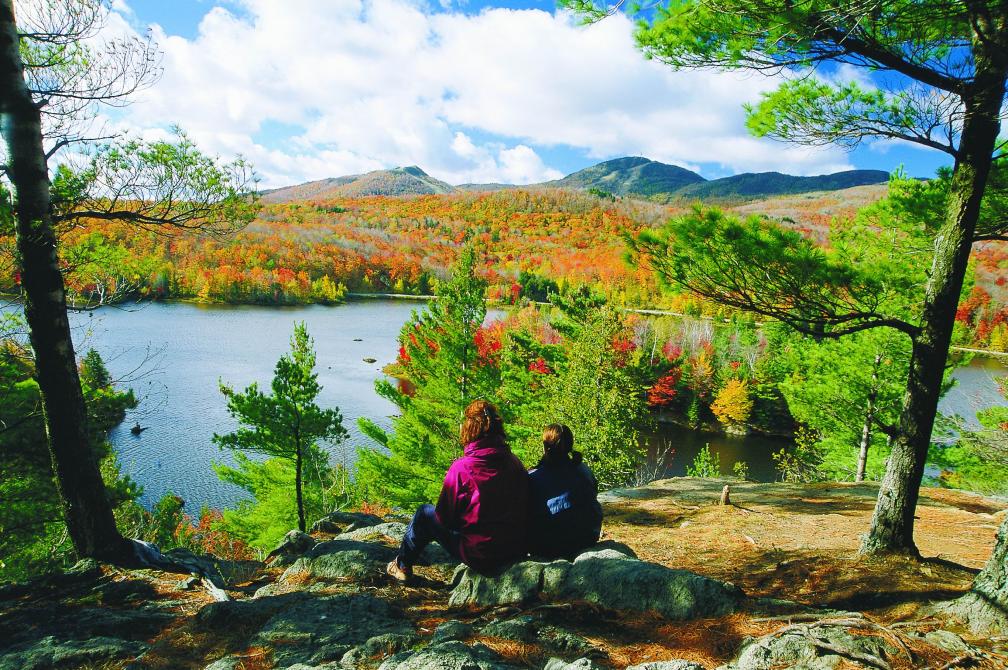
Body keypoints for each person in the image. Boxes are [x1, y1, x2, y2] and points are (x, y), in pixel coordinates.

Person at [387, 399, 528, 582]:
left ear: (469, 429)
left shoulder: (462, 468)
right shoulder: (514, 462)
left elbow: (445, 518)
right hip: (513, 549)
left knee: (424, 513)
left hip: (481, 555)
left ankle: (402, 565)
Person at [527, 424, 602, 560]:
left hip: (546, 546)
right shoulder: (584, 471)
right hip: (584, 539)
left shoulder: (533, 477)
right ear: (570, 445)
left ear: (544, 446)